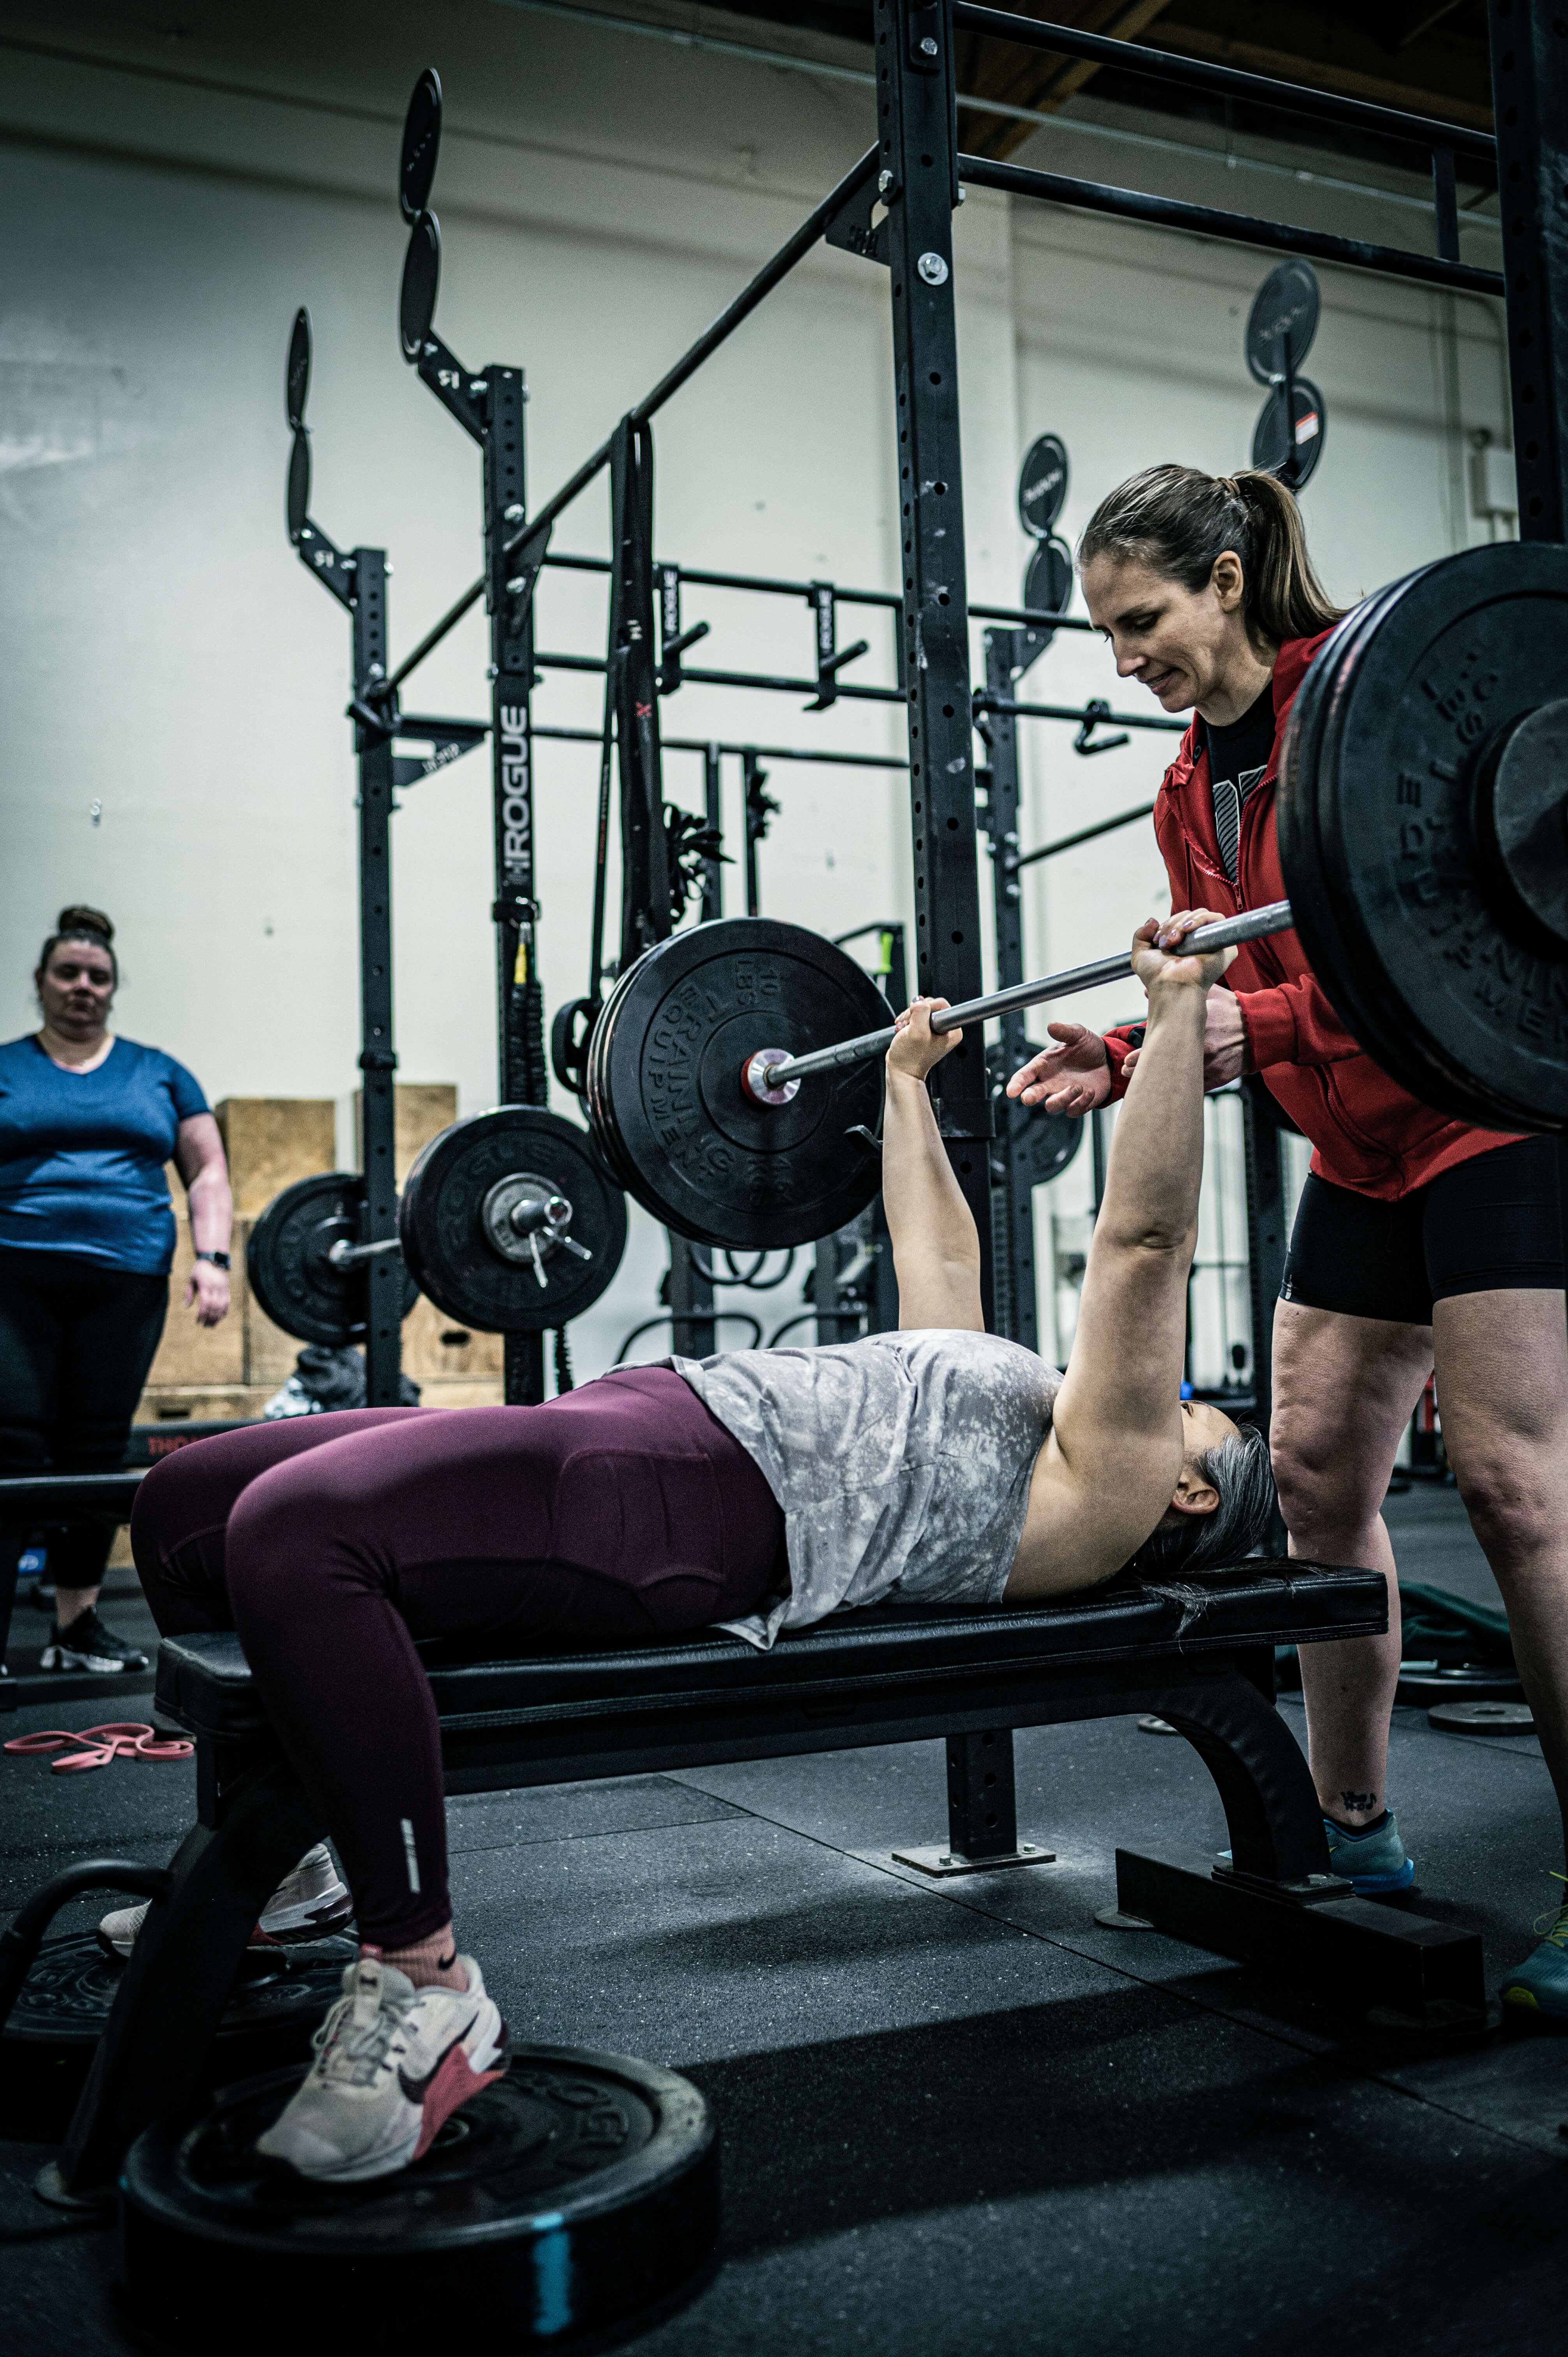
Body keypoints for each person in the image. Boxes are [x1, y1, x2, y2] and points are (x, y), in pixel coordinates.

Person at [120, 915, 1273, 2186]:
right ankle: (289, 1872)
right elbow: (934, 1257)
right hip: (652, 1417)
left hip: (706, 1507)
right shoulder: (1022, 1401)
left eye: (1195, 1410)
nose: (1165, 1391)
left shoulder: (1102, 1485)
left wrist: (1172, 1017)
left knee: (298, 1534)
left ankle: (423, 1975)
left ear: (1181, 1488)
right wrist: (900, 1081)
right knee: (183, 1504)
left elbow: (1144, 1244)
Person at [1007, 463, 1568, 2017]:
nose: (1127, 661)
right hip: (1366, 1152)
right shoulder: (1192, 786)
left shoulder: (1371, 706)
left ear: (1228, 582)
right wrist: (1124, 1055)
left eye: (1141, 624)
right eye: (1111, 637)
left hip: (1484, 1115)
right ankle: (1354, 1830)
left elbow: (1425, 959)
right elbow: (1223, 997)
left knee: (1518, 1489)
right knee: (1316, 1476)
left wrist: (1230, 1029)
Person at [0, 906, 233, 1675]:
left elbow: (205, 1168)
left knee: (95, 1447)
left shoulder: (157, 1070)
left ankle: (76, 1627)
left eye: (97, 976)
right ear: (41, 983)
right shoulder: (9, 1068)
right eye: (67, 973)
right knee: (14, 1446)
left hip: (126, 1279)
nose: (82, 987)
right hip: (16, 1274)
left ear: (113, 988)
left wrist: (214, 1258)